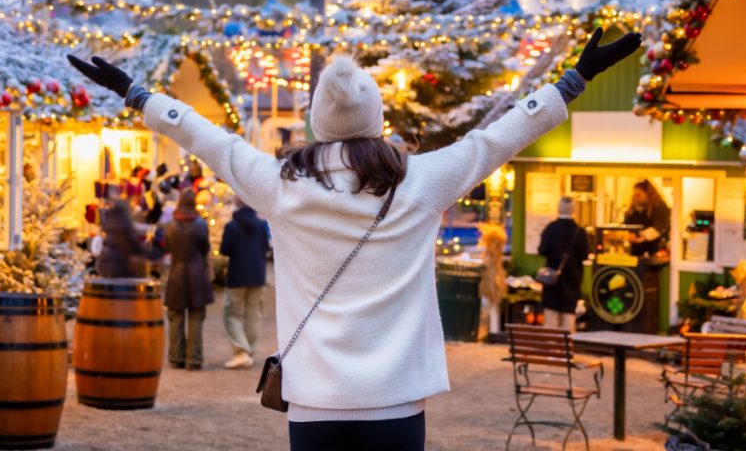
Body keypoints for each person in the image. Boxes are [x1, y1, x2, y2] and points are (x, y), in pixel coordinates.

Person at [70, 27, 640, 451]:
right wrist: (573, 79)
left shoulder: (280, 185)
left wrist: (136, 93)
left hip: (315, 403)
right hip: (396, 401)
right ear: (377, 118)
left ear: (319, 120)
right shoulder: (421, 179)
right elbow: (498, 138)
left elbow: (206, 138)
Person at [163, 190, 214, 370]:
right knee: (196, 316)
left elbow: (167, 247)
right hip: (197, 273)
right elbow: (205, 248)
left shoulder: (170, 225)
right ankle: (194, 358)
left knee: (175, 316)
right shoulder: (201, 224)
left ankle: (176, 358)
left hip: (176, 273)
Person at [220, 197, 271, 369]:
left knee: (232, 314)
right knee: (253, 314)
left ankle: (241, 351)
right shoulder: (261, 225)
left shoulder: (231, 226)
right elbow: (266, 248)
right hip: (258, 275)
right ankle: (248, 351)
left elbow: (224, 250)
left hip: (237, 276)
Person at [537, 196, 588, 332]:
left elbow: (542, 250)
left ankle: (551, 351)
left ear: (558, 208)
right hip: (572, 281)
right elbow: (584, 255)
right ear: (574, 210)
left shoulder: (551, 229)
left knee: (551, 321)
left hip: (552, 281)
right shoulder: (580, 232)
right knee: (568, 321)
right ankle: (565, 352)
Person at [96, 185, 146, 278]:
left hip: (109, 267)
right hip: (121, 267)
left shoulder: (112, 219)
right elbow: (133, 244)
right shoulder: (124, 220)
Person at [625, 179, 671, 258]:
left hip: (656, 251)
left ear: (648, 194)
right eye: (634, 195)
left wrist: (641, 236)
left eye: (638, 195)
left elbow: (660, 227)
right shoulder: (632, 209)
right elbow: (626, 225)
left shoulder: (659, 206)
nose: (635, 198)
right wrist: (628, 235)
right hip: (635, 251)